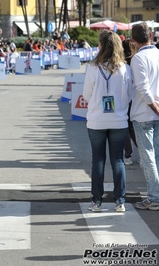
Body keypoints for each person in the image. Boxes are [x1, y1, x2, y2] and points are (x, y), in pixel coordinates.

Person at [82, 30, 132, 212]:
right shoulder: (125, 69)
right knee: (118, 160)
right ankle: (120, 201)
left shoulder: (93, 68)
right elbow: (129, 96)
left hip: (97, 120)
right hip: (119, 120)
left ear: (101, 46)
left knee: (98, 161)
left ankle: (97, 202)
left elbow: (86, 95)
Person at [129, 23, 159, 211]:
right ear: (150, 35)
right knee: (156, 155)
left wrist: (155, 108)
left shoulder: (138, 58)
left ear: (133, 40)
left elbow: (143, 88)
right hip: (154, 112)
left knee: (148, 157)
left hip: (144, 113)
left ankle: (155, 198)